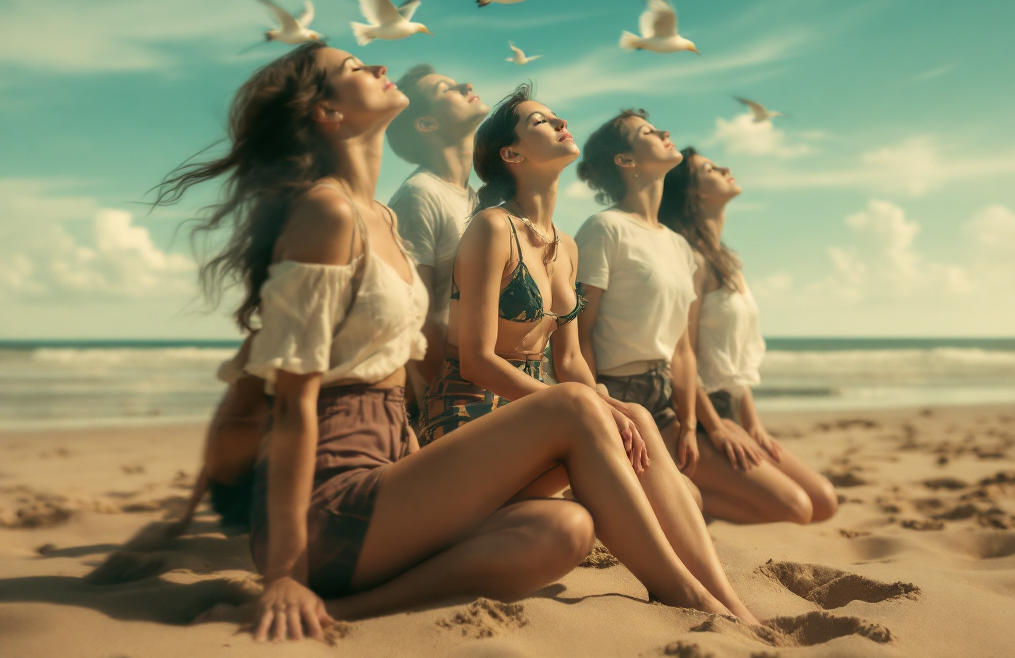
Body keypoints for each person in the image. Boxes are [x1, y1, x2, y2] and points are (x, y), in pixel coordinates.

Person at [154, 44, 758, 641]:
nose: (381, 66)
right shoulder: (328, 214)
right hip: (331, 509)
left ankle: (348, 610)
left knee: (568, 529)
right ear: (328, 114)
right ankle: (692, 599)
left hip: (389, 475)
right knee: (578, 405)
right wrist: (283, 573)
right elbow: (291, 404)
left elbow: (393, 369)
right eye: (356, 69)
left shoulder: (381, 217)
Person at [419, 86, 756, 624]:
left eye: (557, 117)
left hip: (537, 416)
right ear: (512, 154)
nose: (560, 123)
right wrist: (585, 407)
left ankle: (723, 598)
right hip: (469, 419)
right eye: (541, 121)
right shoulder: (491, 228)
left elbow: (572, 360)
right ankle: (687, 594)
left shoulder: (566, 245)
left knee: (638, 416)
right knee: (617, 421)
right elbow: (477, 360)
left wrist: (602, 401)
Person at [659, 150, 838, 525]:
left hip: (729, 409)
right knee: (795, 509)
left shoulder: (726, 260)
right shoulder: (690, 258)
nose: (726, 169)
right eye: (709, 169)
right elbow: (682, 351)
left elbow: (732, 359)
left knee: (822, 501)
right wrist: (716, 425)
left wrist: (752, 423)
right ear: (693, 193)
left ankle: (684, 492)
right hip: (692, 414)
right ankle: (661, 494)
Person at [574, 109, 703, 479]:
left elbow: (682, 348)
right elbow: (580, 332)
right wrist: (600, 402)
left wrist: (689, 424)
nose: (664, 130)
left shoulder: (679, 246)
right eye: (647, 131)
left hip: (664, 399)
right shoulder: (605, 229)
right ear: (625, 159)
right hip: (616, 391)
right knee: (687, 499)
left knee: (791, 501)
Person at [386, 64, 489, 389]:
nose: (465, 83)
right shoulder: (419, 195)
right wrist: (443, 397)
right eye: (445, 89)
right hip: (453, 391)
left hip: (483, 378)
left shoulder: (477, 201)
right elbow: (417, 318)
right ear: (427, 123)